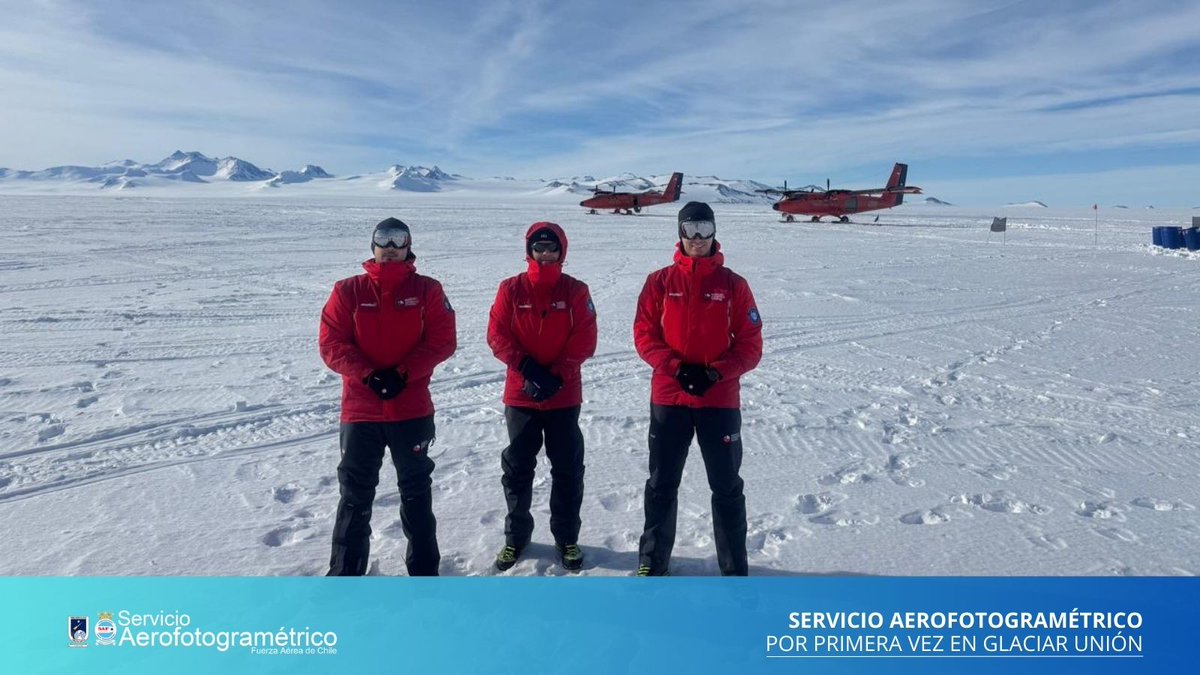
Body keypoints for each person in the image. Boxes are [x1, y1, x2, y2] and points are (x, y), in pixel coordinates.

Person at [318, 217, 457, 576]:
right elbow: (332, 344)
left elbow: (442, 341)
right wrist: (368, 374)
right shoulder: (347, 290)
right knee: (354, 496)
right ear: (373, 246)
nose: (391, 246)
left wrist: (401, 374)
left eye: (399, 239)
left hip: (410, 409)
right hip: (360, 411)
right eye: (384, 238)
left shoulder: (428, 289)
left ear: (410, 246)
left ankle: (425, 575)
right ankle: (345, 578)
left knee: (415, 493)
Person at [632, 202, 763, 576]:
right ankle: (652, 562)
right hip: (670, 398)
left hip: (718, 401)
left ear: (715, 231)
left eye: (704, 229)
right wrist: (675, 368)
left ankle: (735, 568)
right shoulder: (659, 282)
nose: (697, 239)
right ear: (679, 233)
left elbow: (750, 344)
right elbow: (644, 334)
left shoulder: (733, 285)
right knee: (661, 483)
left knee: (726, 487)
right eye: (690, 230)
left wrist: (715, 374)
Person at [486, 222, 597, 572]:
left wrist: (556, 375)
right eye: (539, 248)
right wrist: (529, 370)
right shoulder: (511, 289)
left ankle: (566, 538)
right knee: (518, 469)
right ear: (529, 250)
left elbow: (584, 339)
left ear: (562, 251)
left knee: (567, 470)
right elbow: (497, 335)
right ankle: (516, 537)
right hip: (521, 396)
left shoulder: (576, 291)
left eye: (551, 248)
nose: (545, 254)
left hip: (563, 396)